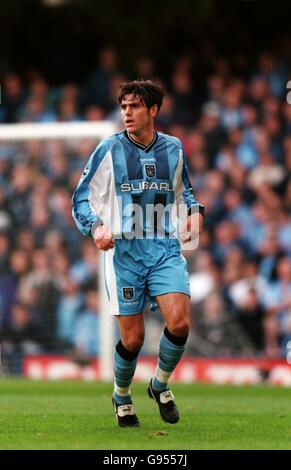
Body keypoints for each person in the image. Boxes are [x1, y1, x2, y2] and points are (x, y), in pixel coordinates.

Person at [72, 80, 204, 427]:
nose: (127, 113)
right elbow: (81, 198)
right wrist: (95, 227)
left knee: (180, 321)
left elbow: (186, 193)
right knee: (133, 339)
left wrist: (195, 212)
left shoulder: (174, 148)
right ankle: (121, 395)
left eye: (134, 106)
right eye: (124, 107)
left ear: (153, 111)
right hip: (123, 253)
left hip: (163, 246)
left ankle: (159, 385)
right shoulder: (108, 149)